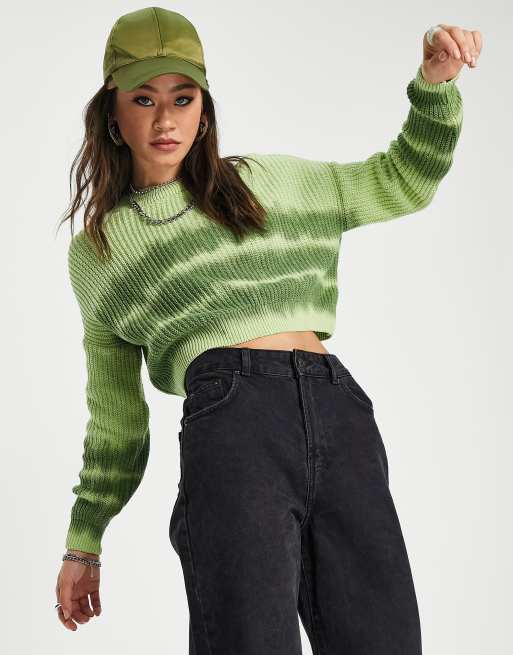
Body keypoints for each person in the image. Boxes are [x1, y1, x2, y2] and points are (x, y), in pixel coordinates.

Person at [54, 6, 481, 653]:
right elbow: (117, 418)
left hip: (339, 413)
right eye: (143, 98)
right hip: (233, 427)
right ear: (112, 111)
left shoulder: (274, 181)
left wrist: (435, 85)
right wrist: (84, 542)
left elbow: (401, 181)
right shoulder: (102, 249)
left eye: (182, 97)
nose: (165, 119)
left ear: (204, 109)